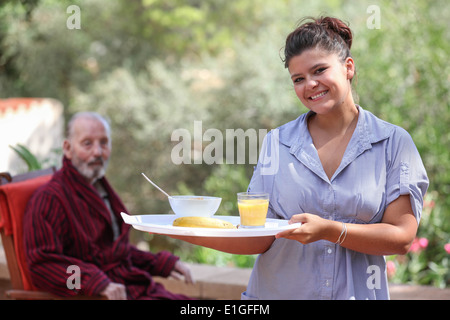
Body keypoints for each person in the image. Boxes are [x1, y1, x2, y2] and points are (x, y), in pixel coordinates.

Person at [171, 16, 429, 300]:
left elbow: (402, 237)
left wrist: (330, 230)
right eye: (299, 79)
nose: (310, 85)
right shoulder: (277, 143)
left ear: (348, 67)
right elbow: (259, 236)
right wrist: (185, 230)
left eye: (319, 70)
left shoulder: (393, 143)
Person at [24, 111, 193, 300]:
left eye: (103, 143)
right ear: (68, 148)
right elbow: (43, 266)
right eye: (87, 143)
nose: (97, 152)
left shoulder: (99, 188)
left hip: (133, 288)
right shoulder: (50, 199)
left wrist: (160, 263)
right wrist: (94, 283)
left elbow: (112, 254)